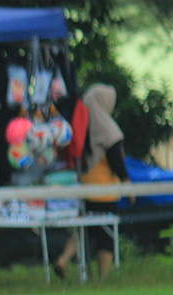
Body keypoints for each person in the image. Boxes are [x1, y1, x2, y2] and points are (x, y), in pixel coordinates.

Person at [54, 83, 132, 281]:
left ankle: (63, 259)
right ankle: (102, 278)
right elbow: (116, 160)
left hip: (86, 186)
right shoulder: (108, 128)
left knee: (85, 227)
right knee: (105, 233)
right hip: (104, 188)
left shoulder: (84, 125)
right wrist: (127, 184)